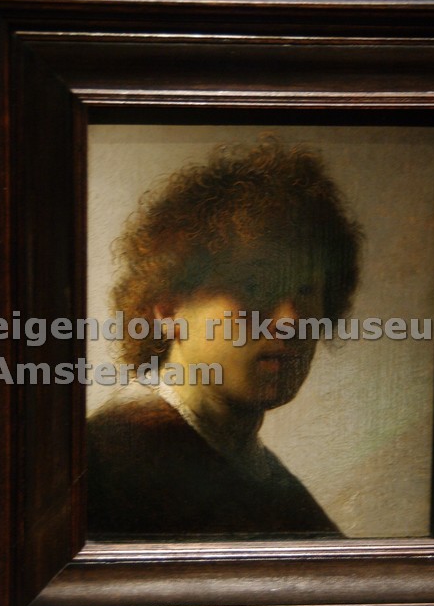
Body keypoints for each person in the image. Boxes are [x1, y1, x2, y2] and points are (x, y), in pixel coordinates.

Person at [87, 138, 362, 538]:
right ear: (168, 309)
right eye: (255, 286)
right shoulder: (103, 463)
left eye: (305, 291)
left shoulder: (284, 495)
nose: (291, 320)